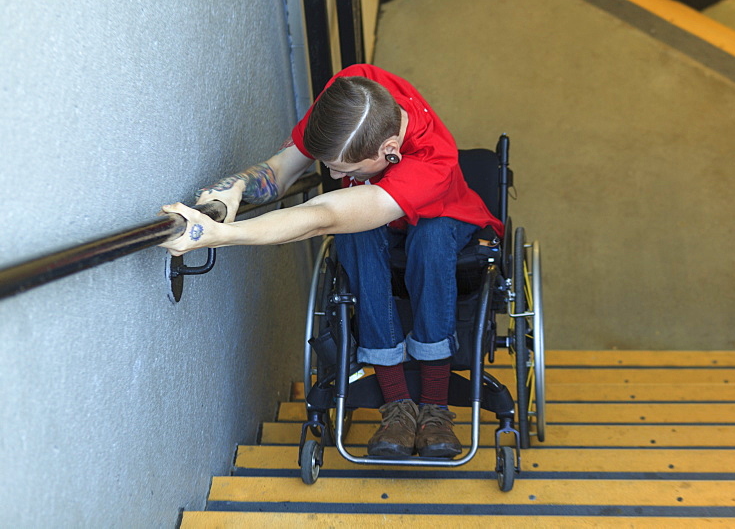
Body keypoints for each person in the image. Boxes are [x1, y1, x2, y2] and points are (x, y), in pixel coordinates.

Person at [160, 64, 503, 459]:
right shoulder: (350, 96)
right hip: (380, 216)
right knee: (356, 237)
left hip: (447, 218)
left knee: (429, 238)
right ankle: (397, 407)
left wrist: (226, 235)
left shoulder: (432, 160)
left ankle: (435, 409)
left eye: (345, 170)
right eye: (331, 165)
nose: (332, 173)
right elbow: (281, 170)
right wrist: (233, 188)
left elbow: (323, 215)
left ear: (389, 152)